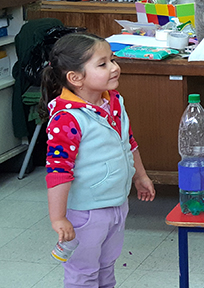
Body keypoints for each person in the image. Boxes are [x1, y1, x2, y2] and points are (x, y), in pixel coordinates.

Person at [42, 33, 155, 288]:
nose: (114, 68)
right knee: (83, 274)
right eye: (103, 64)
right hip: (86, 212)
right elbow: (58, 172)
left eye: (112, 60)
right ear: (76, 78)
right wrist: (59, 218)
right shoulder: (66, 119)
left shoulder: (113, 101)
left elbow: (128, 142)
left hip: (116, 205)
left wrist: (140, 175)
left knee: (106, 269)